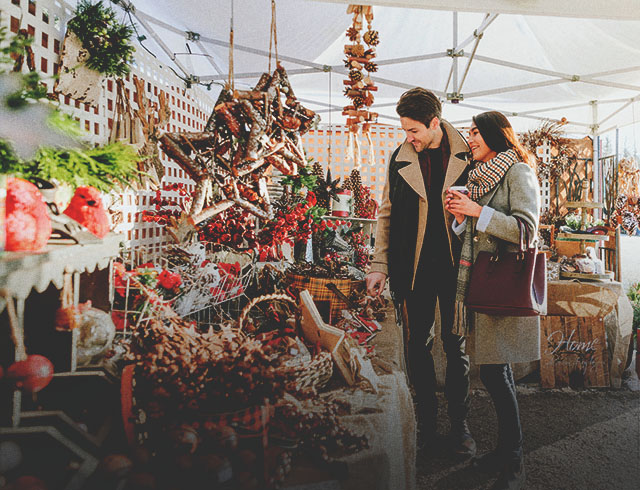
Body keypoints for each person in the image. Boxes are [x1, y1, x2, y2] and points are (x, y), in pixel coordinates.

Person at [366, 87, 475, 459]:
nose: (408, 138)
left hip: (458, 268)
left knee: (456, 345)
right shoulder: (400, 157)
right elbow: (386, 214)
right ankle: (426, 425)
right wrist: (379, 265)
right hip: (411, 270)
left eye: (414, 130)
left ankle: (460, 425)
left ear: (434, 123)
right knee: (417, 345)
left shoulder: (470, 154)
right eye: (405, 131)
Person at [445, 111, 541, 490]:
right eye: (468, 132)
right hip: (480, 283)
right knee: (491, 372)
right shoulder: (478, 175)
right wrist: (458, 216)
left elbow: (526, 230)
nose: (470, 138)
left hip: (501, 283)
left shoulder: (517, 171)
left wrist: (477, 212)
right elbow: (473, 231)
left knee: (496, 374)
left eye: (475, 132)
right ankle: (505, 453)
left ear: (494, 135)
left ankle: (514, 461)